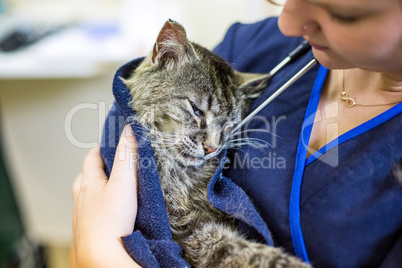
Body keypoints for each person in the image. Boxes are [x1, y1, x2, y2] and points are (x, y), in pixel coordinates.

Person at [71, 0, 402, 267]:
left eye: (339, 14)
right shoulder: (251, 46)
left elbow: (97, 243)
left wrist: (98, 254)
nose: (288, 23)